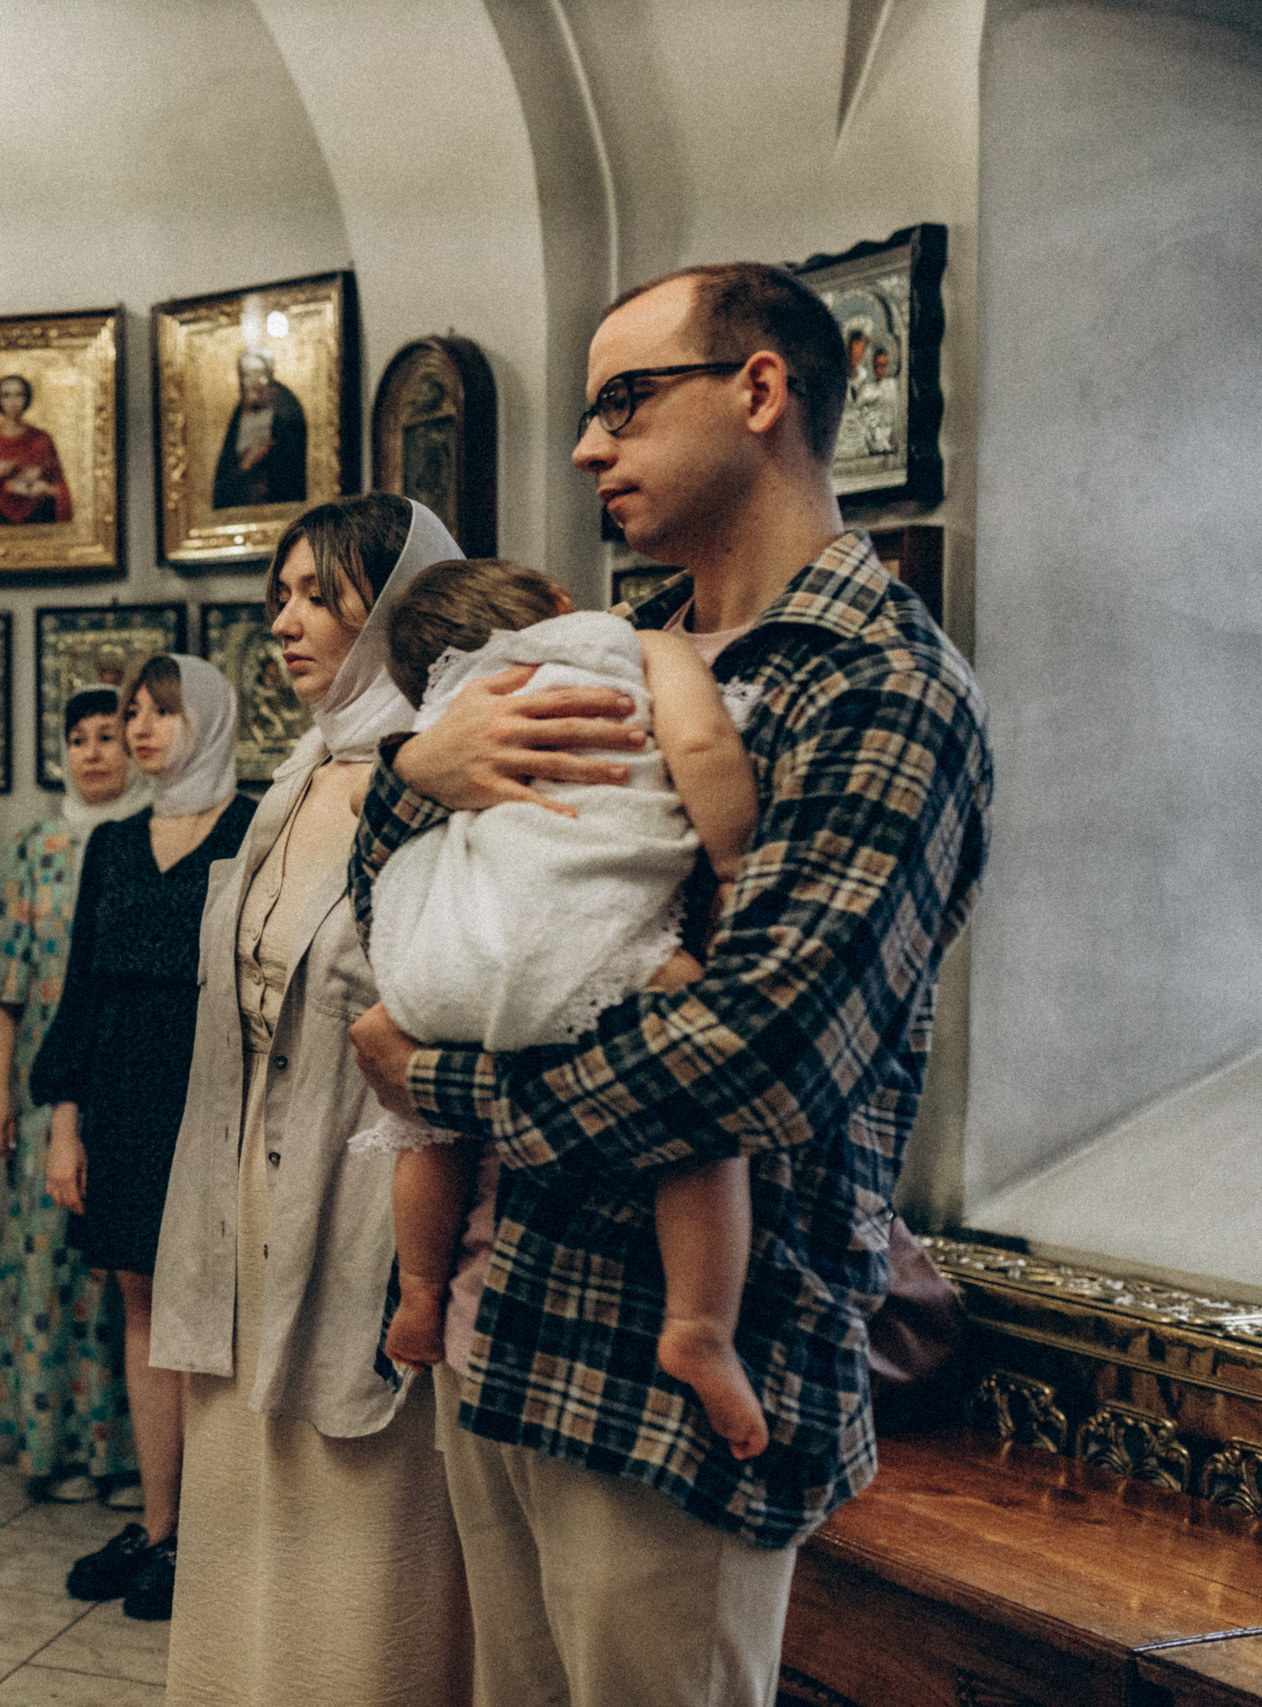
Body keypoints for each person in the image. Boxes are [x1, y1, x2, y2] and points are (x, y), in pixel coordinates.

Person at [349, 262, 990, 1707]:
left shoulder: (877, 684)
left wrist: (438, 1080)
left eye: (624, 401)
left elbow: (761, 1053)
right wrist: (412, 777)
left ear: (761, 391)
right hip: (499, 1323)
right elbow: (409, 925)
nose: (586, 445)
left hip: (680, 1364)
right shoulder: (594, 645)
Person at [149, 494, 471, 1706]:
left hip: (368, 1191)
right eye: (277, 595)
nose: (285, 623)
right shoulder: (295, 778)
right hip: (245, 1185)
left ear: (396, 611)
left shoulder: (442, 776)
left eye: (319, 598)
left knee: (354, 1536)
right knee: (247, 1502)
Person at [359, 557, 768, 1462]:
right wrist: (736, 860)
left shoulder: (447, 707)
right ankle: (699, 1323)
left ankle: (419, 1291)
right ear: (555, 601)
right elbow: (701, 747)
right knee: (706, 1101)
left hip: (452, 942)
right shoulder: (633, 641)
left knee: (425, 1123)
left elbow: (383, 831)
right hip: (579, 935)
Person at [32, 652, 257, 1623]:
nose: (141, 729)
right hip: (120, 1092)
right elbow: (80, 991)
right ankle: (158, 1528)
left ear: (204, 719)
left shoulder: (259, 828)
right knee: (140, 1303)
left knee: (214, 1318)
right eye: (133, 713)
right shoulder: (115, 845)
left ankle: (215, 1535)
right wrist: (64, 1125)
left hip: (216, 1090)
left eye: (162, 712)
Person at [0, 688, 150, 1504]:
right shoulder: (35, 849)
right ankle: (55, 1445)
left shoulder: (161, 837)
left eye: (108, 736)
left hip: (129, 1086)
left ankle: (126, 1453)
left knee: (125, 1269)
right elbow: (6, 986)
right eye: (77, 739)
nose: (92, 753)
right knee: (48, 1264)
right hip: (49, 1094)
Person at [0, 373, 73, 526]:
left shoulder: (42, 440)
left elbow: (61, 490)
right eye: (6, 395)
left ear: (27, 399)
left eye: (19, 395)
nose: (13, 402)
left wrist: (45, 489)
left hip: (38, 521)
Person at [211, 349, 307, 510]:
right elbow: (223, 486)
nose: (254, 382)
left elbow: (292, 470)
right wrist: (246, 464)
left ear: (269, 376)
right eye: (247, 375)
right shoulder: (238, 415)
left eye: (259, 373)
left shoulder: (286, 411)